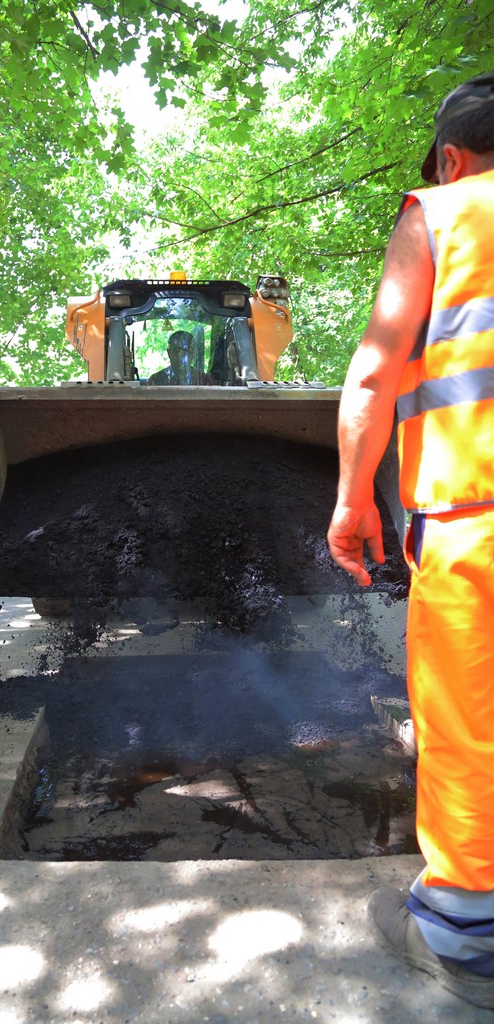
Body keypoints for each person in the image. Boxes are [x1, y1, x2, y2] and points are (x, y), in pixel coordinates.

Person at [327, 72, 494, 1007]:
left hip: (475, 520)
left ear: (452, 158)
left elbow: (373, 377)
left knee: (467, 724)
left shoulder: (442, 213)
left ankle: (461, 935)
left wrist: (353, 501)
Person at [147, 329, 212, 385]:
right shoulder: (156, 380)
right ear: (169, 353)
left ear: (193, 353)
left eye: (185, 350)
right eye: (175, 350)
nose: (179, 355)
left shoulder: (204, 380)